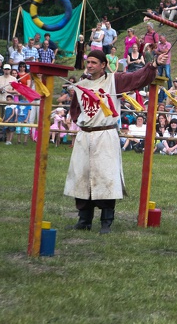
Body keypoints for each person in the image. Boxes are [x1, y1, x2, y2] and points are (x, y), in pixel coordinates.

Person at [65, 49, 168, 234]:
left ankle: (106, 222)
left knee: (106, 178)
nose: (89, 65)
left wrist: (155, 64)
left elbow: (138, 77)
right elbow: (75, 110)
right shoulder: (81, 85)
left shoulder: (114, 81)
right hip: (85, 136)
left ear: (103, 65)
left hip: (105, 136)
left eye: (94, 63)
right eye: (88, 62)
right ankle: (84, 220)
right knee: (82, 177)